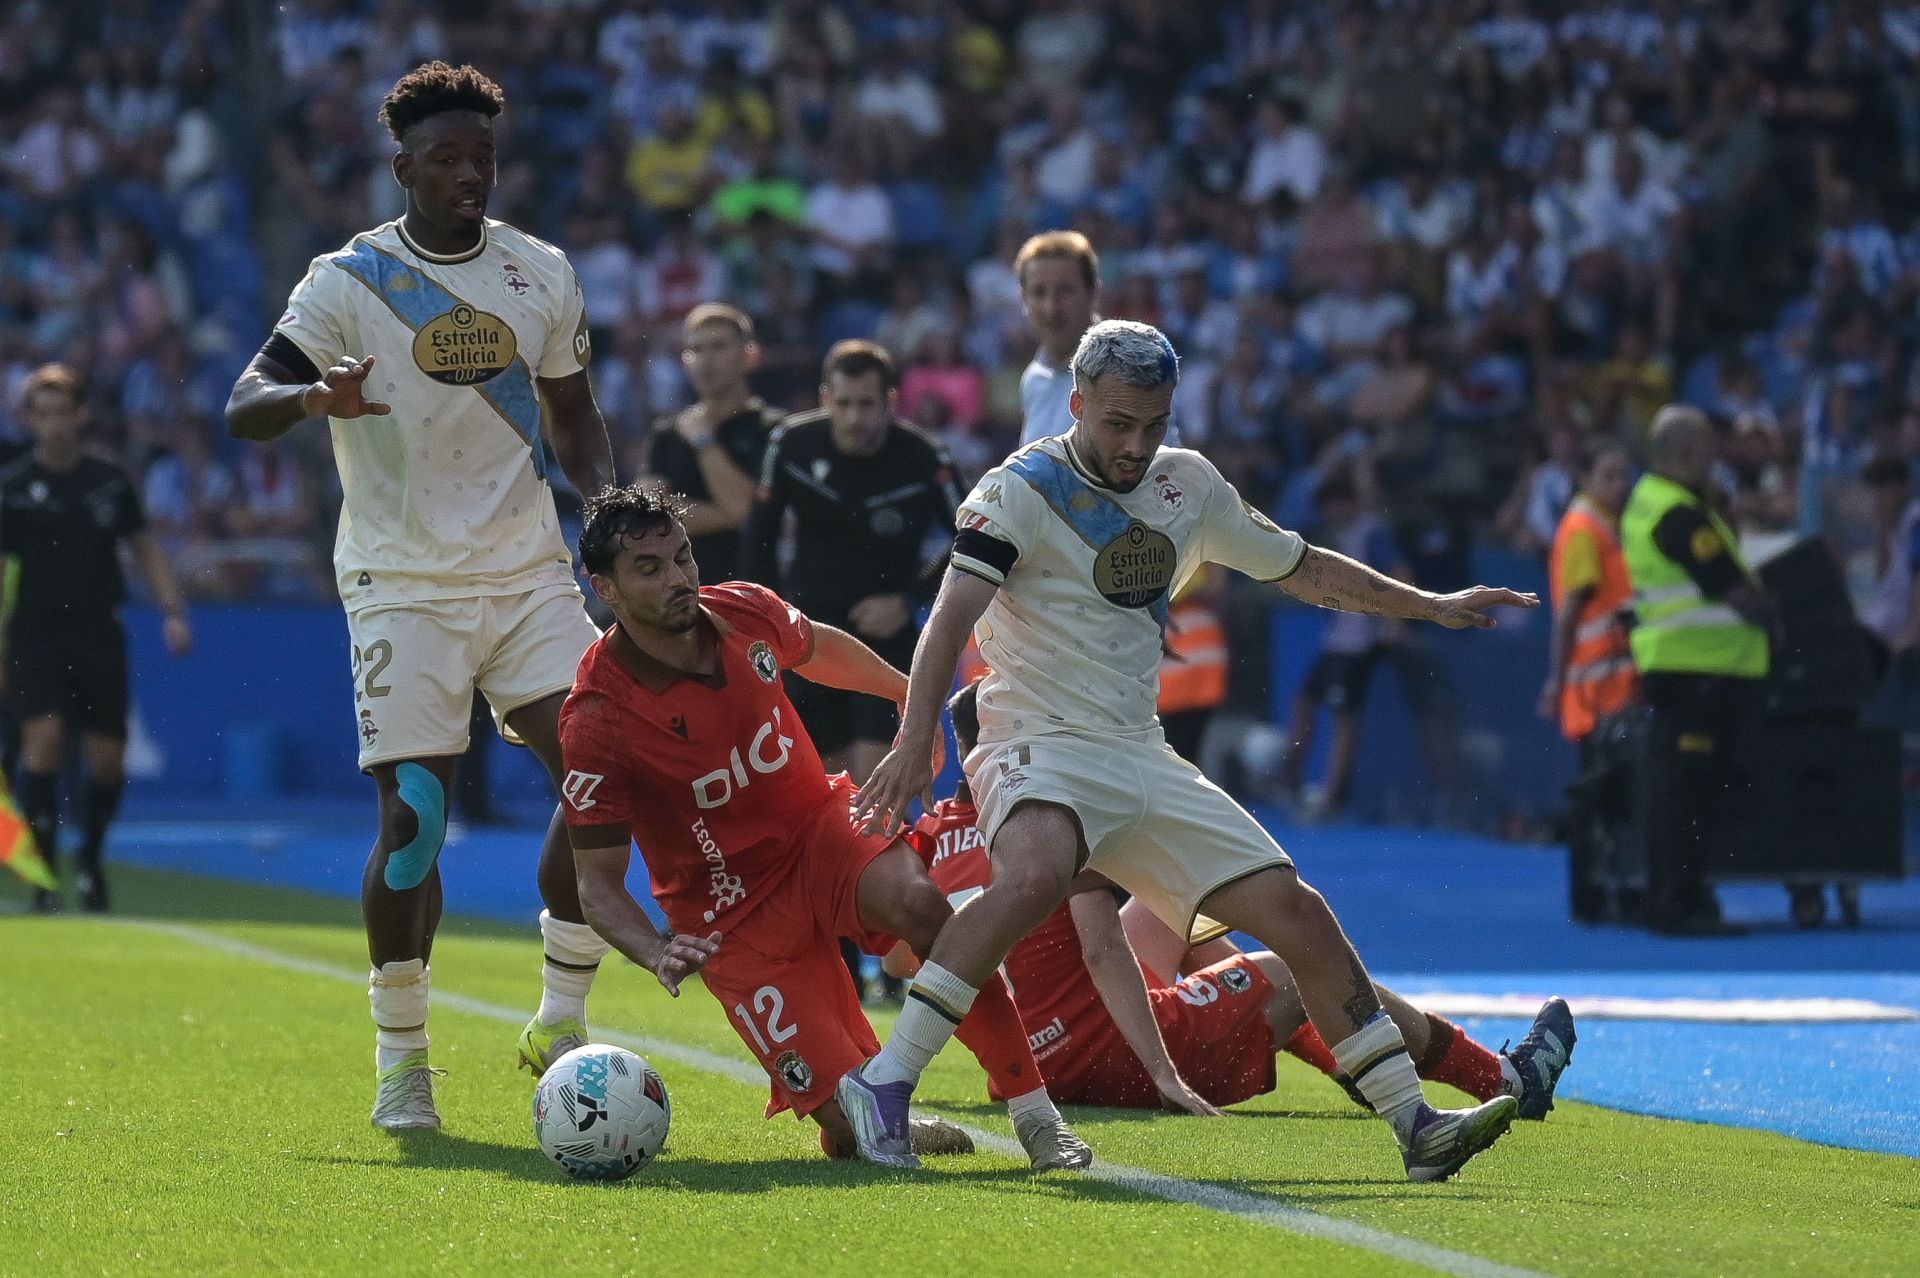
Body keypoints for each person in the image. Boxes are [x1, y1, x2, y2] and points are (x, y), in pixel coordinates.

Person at [845, 320, 1539, 1182]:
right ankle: (886, 1082)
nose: (1137, 445)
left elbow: (1303, 567)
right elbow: (950, 619)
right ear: (1077, 406)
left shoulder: (1190, 485)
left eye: (1155, 424)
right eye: (1118, 424)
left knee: (1299, 913)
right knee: (1032, 879)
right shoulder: (1019, 488)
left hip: (1139, 751)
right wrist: (917, 737)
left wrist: (1428, 605)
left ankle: (1415, 1125)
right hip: (1035, 741)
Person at [224, 63, 618, 1131]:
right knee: (416, 819)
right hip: (403, 584)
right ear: (401, 166)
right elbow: (244, 402)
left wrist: (613, 508)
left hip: (527, 571)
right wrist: (314, 395)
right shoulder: (347, 280)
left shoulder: (540, 272)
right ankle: (404, 1063)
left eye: (483, 158)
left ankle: (561, 1015)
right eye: (445, 158)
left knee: (608, 776)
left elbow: (574, 415)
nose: (469, 176)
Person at [556, 483, 1089, 1171]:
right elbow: (595, 886)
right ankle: (869, 1113)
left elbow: (817, 648)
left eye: (682, 557)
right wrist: (655, 950)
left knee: (922, 906)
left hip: (820, 830)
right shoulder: (596, 715)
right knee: (849, 1136)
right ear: (604, 588)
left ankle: (1036, 1116)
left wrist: (907, 696)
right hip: (731, 914)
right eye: (650, 569)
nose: (680, 578)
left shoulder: (743, 609)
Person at [891, 680, 1575, 1119]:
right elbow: (1100, 949)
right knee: (1290, 962)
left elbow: (899, 960)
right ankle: (1504, 1079)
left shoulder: (934, 834)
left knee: (1171, 912)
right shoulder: (1046, 811)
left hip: (1030, 1061)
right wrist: (1163, 1074)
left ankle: (1337, 1048)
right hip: (1108, 1057)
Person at [0, 364, 192, 913]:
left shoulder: (108, 483)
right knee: (44, 744)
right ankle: (42, 873)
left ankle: (89, 854)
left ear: (80, 416)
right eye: (44, 413)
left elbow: (146, 548)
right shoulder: (13, 491)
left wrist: (172, 612)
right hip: (35, 632)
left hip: (97, 630)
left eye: (64, 412)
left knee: (107, 759)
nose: (55, 424)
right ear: (29, 420)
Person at [739, 340, 962, 783]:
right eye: (843, 404)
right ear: (825, 399)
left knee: (873, 799)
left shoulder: (923, 457)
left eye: (866, 404)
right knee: (822, 795)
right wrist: (765, 622)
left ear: (890, 403)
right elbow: (758, 539)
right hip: (809, 636)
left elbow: (971, 538)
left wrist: (907, 600)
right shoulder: (790, 444)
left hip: (887, 639)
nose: (855, 418)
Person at [1620, 406, 1772, 936]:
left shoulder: (1658, 502)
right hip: (1699, 670)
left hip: (1682, 667)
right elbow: (1735, 588)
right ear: (1685, 452)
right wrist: (1772, 609)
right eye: (1709, 447)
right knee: (1687, 793)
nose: (1718, 456)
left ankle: (1674, 898)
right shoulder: (1679, 513)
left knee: (1674, 789)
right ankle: (1678, 905)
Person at [1540, 443, 1639, 922]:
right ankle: (1592, 898)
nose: (1620, 485)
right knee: (1599, 798)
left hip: (1613, 688)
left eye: (1625, 474)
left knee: (1609, 796)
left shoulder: (1609, 526)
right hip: (1597, 691)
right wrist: (1555, 682)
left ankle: (1603, 893)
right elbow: (1569, 615)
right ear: (1586, 478)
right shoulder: (1585, 530)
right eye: (1609, 474)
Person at [1278, 474, 1411, 816]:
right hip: (1335, 640)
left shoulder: (1372, 532)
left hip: (1358, 644)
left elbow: (1400, 572)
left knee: (1343, 717)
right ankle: (1289, 779)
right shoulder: (1336, 534)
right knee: (1304, 700)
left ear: (1347, 503)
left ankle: (1331, 796)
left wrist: (1394, 623)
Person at [643, 304, 786, 586]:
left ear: (750, 356)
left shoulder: (776, 429)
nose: (706, 360)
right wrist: (732, 513)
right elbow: (651, 518)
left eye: (718, 347)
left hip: (755, 595)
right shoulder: (667, 433)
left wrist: (704, 441)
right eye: (696, 350)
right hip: (684, 595)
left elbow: (748, 509)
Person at [1014, 231, 1101, 448]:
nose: (1051, 308)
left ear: (1093, 294)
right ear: (1024, 300)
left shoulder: (1128, 372)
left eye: (1065, 291)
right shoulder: (1033, 379)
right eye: (1039, 292)